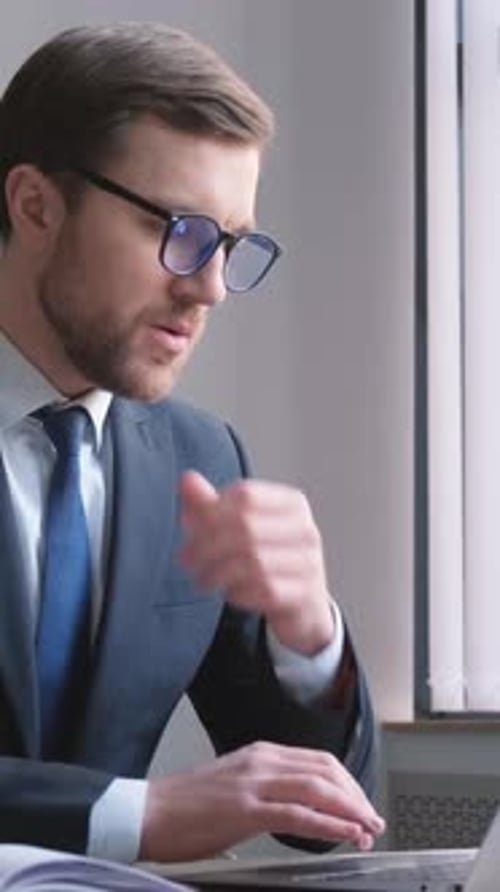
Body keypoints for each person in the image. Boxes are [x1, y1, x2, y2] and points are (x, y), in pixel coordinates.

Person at [0, 22, 384, 864]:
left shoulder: (203, 461)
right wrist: (133, 815)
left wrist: (308, 637)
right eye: (178, 229)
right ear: (35, 206)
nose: (210, 285)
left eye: (231, 244)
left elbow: (329, 817)